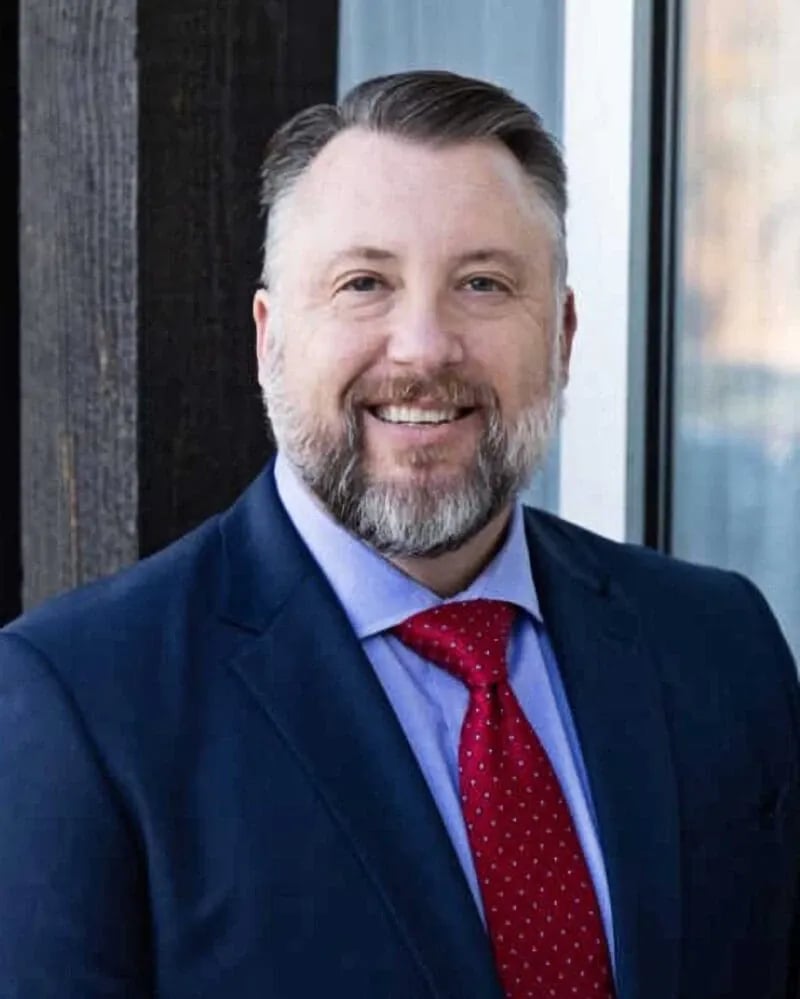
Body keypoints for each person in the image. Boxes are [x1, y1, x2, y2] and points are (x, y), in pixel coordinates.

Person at [1, 70, 798, 999]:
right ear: (269, 338)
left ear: (565, 335)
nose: (424, 347)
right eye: (364, 282)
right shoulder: (85, 703)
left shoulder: (720, 644)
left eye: (483, 282)